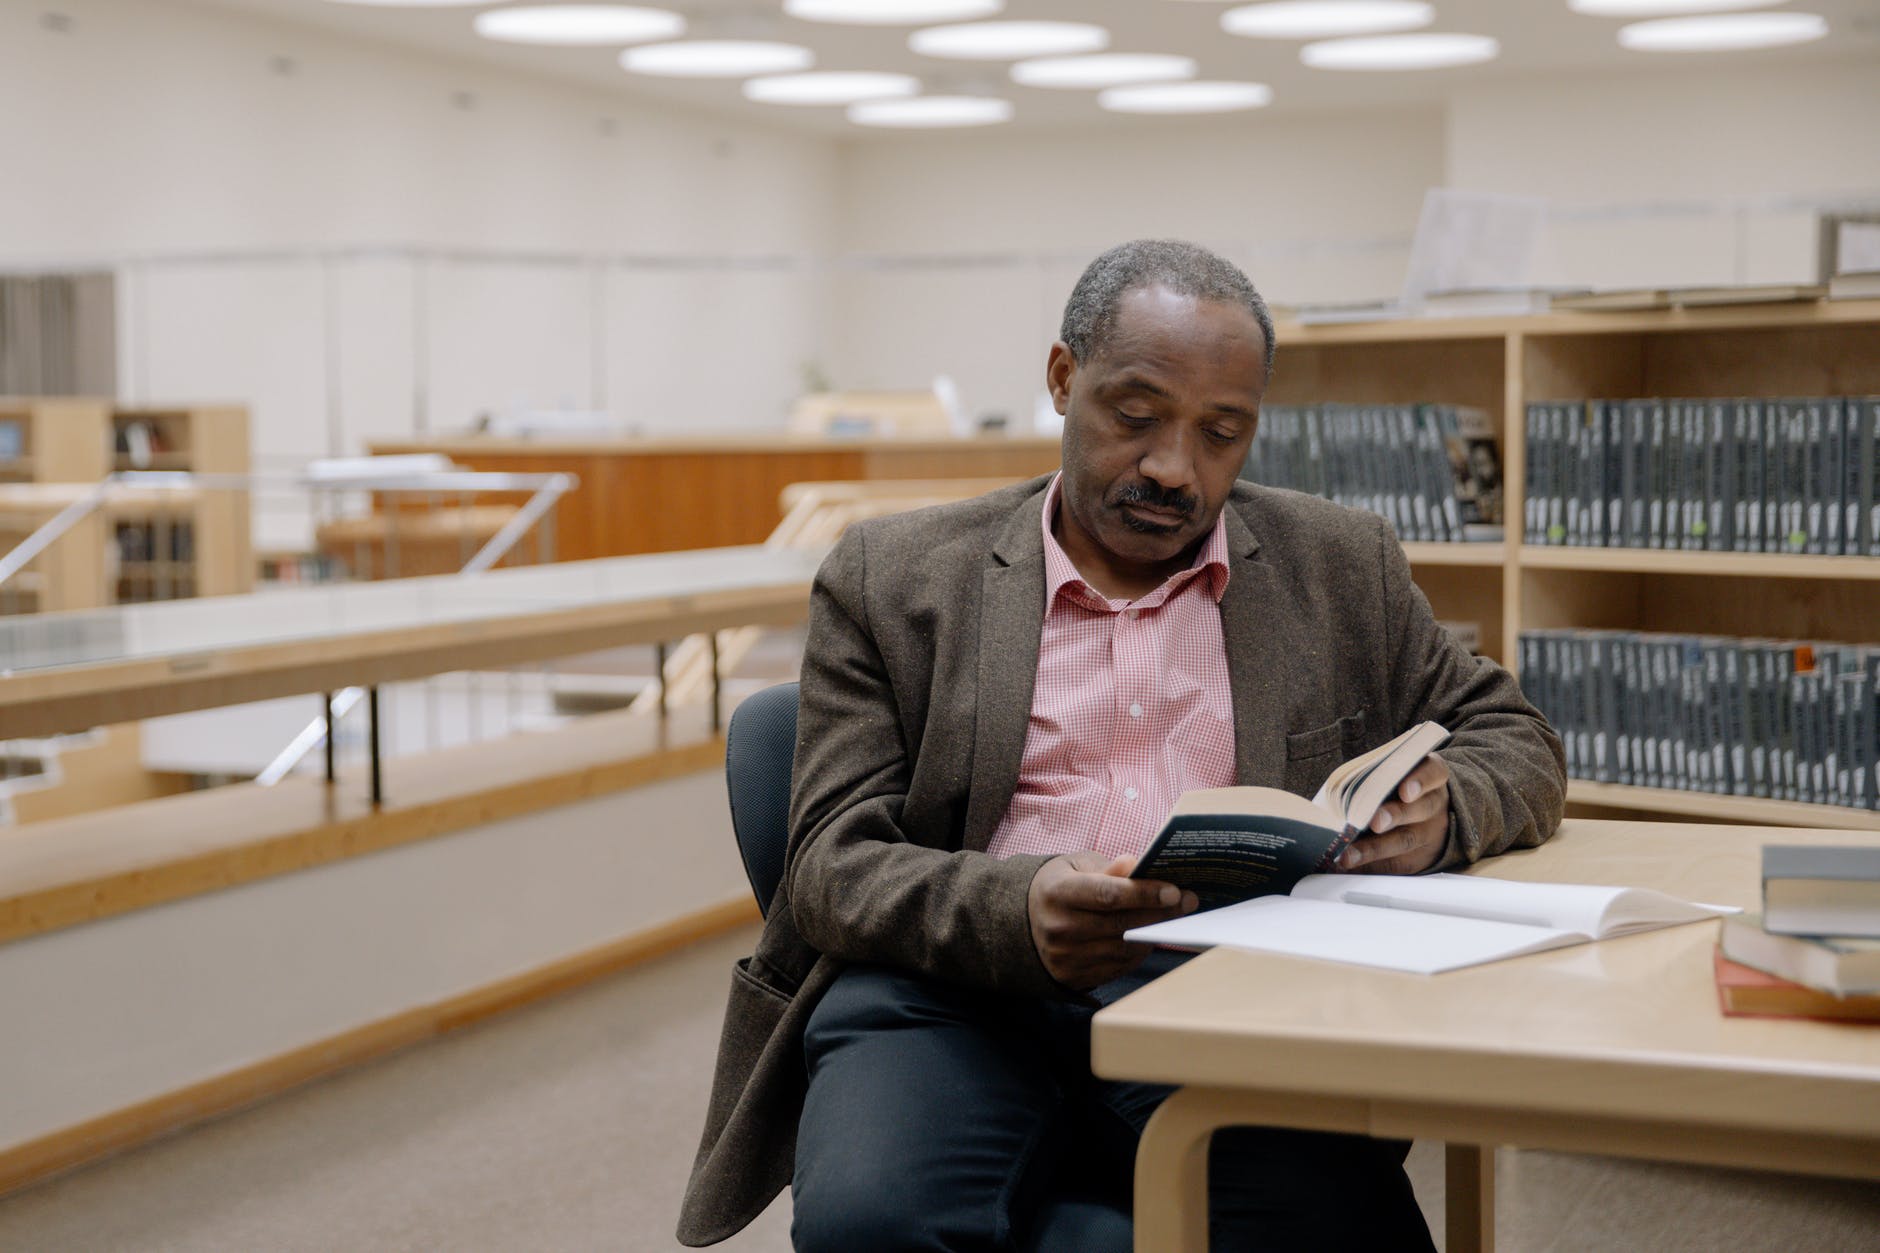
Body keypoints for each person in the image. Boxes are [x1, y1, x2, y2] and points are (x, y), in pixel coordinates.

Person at [677, 239, 1566, 1251]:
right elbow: (830, 868)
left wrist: (1448, 805)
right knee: (872, 1224)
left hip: (1225, 994)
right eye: (1134, 417)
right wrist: (1019, 908)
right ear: (1062, 379)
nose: (1173, 469)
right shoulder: (895, 576)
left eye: (1221, 434)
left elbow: (1517, 735)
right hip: (950, 987)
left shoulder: (1336, 564)